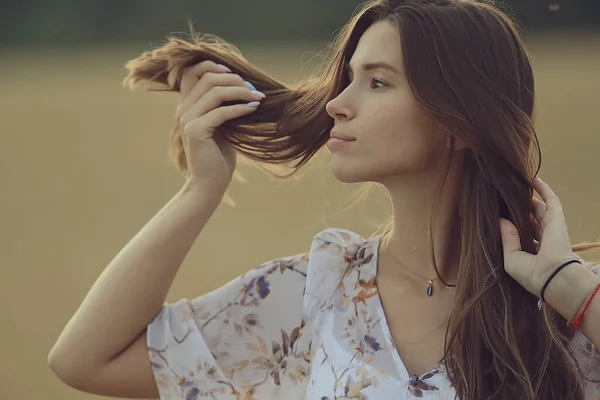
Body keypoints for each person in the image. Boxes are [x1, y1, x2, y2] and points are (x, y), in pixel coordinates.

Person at [47, 0, 600, 399]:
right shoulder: (317, 295)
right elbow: (84, 361)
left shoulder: (563, 306)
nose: (337, 103)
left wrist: (570, 288)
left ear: (460, 122)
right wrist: (200, 192)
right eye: (348, 78)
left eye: (377, 83)